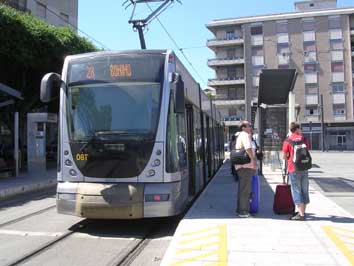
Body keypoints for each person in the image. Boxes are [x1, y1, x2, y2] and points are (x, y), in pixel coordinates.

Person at [282, 122, 311, 221]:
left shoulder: (288, 140)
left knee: (296, 191)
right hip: (304, 168)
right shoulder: (304, 139)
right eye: (300, 128)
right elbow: (308, 150)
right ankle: (302, 212)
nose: (301, 130)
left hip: (293, 168)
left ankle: (301, 214)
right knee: (304, 190)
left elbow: (284, 156)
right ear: (297, 129)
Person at [235, 120, 257, 218]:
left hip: (243, 166)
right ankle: (243, 211)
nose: (250, 127)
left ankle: (240, 209)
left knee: (243, 188)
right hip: (245, 167)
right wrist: (253, 160)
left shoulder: (242, 135)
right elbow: (248, 148)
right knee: (245, 189)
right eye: (249, 125)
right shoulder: (244, 135)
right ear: (243, 127)